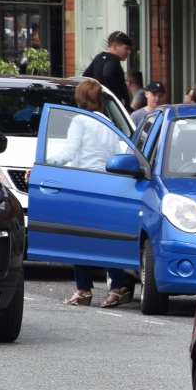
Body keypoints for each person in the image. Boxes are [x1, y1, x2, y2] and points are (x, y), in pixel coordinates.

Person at [48, 79, 136, 308]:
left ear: (80, 98)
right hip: (106, 183)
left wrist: (44, 164)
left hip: (82, 183)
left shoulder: (80, 120)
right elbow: (118, 152)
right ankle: (118, 285)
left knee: (77, 237)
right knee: (102, 237)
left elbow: (69, 151)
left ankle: (84, 289)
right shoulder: (107, 121)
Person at [82, 31, 133, 106]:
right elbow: (107, 74)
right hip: (112, 106)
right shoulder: (114, 59)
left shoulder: (98, 57)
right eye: (126, 48)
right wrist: (117, 98)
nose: (129, 52)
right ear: (115, 47)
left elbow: (85, 77)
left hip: (101, 103)